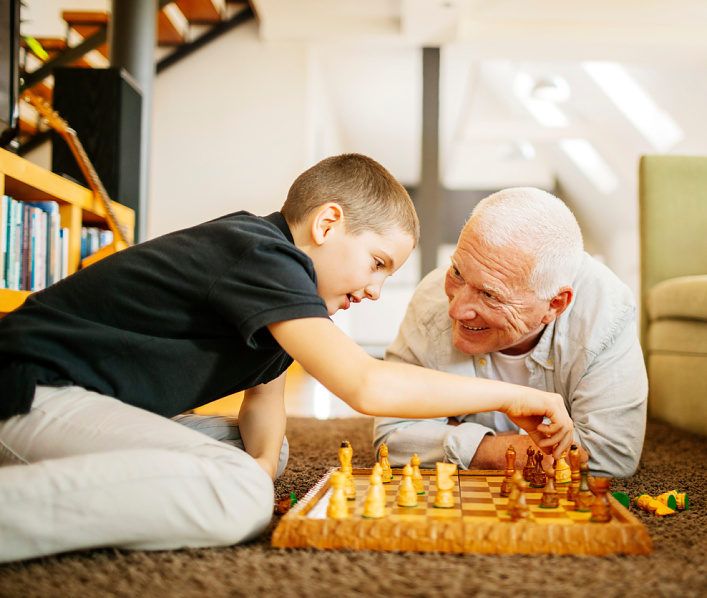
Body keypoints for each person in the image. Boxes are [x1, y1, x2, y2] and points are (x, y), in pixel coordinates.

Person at [0, 155, 572, 563]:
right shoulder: (262, 256)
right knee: (240, 497)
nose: (374, 290)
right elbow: (366, 385)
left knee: (259, 457)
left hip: (61, 398)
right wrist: (513, 394)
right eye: (376, 263)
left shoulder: (280, 293)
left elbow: (263, 402)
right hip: (27, 387)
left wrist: (261, 461)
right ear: (327, 225)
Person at [374, 187, 647, 476]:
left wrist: (452, 434)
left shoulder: (605, 312)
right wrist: (508, 451)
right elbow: (391, 440)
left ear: (554, 304)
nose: (455, 310)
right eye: (457, 272)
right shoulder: (431, 301)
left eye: (490, 295)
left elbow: (611, 457)